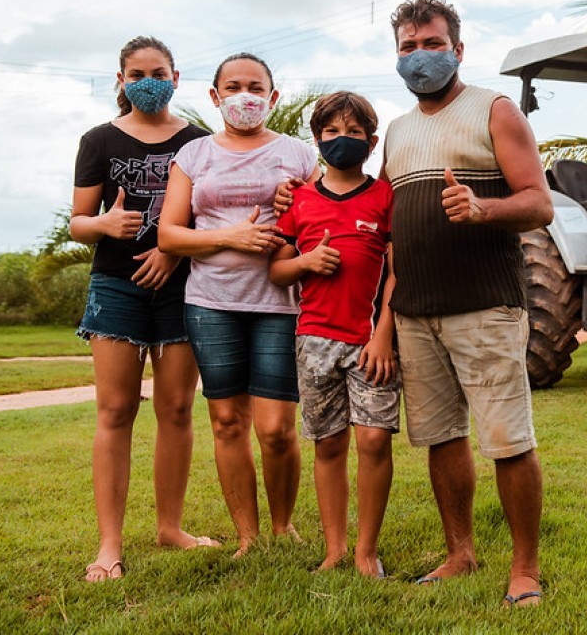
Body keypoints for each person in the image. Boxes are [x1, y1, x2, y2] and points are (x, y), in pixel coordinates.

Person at [381, 0, 554, 607]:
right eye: (408, 46)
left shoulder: (495, 110)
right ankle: (460, 553)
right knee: (441, 437)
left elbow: (539, 203)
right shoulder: (397, 131)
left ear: (458, 49)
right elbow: (392, 226)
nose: (420, 55)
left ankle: (525, 569)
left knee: (508, 439)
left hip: (485, 305)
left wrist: (482, 208)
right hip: (416, 311)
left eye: (432, 44)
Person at [70, 35, 219, 582]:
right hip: (115, 287)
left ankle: (170, 528)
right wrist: (105, 224)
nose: (148, 83)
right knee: (115, 411)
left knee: (176, 410)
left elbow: (210, 219)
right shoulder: (98, 140)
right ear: (121, 81)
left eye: (158, 74)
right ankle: (109, 545)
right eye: (136, 75)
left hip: (182, 288)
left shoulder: (200, 141)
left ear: (175, 79)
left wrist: (171, 252)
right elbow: (78, 222)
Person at [158, 53, 319, 557]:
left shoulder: (298, 154)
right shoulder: (193, 156)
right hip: (211, 304)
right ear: (215, 96)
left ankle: (282, 526)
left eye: (255, 87)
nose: (243, 96)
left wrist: (296, 206)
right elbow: (169, 235)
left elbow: (322, 219)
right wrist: (233, 236)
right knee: (227, 422)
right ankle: (248, 536)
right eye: (232, 87)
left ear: (273, 97)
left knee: (276, 429)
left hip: (279, 303)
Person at [269, 91, 399, 579]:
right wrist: (306, 261)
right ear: (317, 139)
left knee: (374, 441)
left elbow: (397, 272)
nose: (342, 140)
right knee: (328, 445)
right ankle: (336, 549)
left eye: (353, 132)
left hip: (371, 343)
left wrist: (383, 334)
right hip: (314, 341)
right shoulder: (299, 200)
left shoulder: (384, 197)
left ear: (371, 141)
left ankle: (367, 550)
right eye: (331, 132)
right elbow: (277, 270)